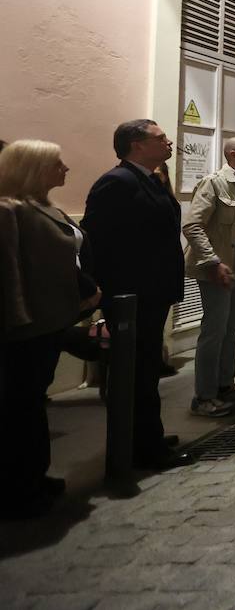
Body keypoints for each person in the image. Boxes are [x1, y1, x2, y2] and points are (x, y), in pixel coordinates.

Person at [0, 141, 102, 518]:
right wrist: (18, 319)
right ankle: (18, 487)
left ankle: (35, 475)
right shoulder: (11, 211)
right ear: (33, 168)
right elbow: (10, 271)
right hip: (28, 324)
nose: (65, 167)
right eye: (56, 162)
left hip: (54, 318)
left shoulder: (47, 207)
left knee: (32, 401)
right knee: (20, 406)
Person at [82, 119, 192, 469]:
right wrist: (105, 293)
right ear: (137, 145)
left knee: (147, 370)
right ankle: (142, 447)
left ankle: (148, 435)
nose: (169, 143)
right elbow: (96, 240)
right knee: (136, 373)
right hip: (131, 293)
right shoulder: (116, 183)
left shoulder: (151, 180)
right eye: (161, 139)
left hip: (152, 290)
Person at [182, 136, 235, 418]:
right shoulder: (213, 183)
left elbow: (232, 225)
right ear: (234, 154)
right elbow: (193, 226)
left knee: (233, 328)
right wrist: (212, 261)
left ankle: (225, 385)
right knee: (214, 329)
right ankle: (204, 395)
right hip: (219, 264)